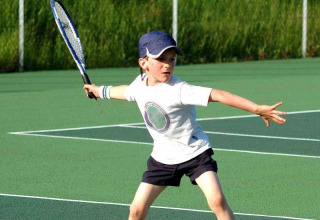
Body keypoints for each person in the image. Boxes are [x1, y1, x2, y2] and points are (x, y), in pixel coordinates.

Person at [83, 30, 287, 220]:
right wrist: (99, 91)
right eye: (160, 59)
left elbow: (220, 95)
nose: (167, 64)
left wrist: (256, 108)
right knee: (136, 210)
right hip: (162, 158)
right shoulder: (140, 84)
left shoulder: (179, 90)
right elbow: (126, 91)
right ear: (144, 62)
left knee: (217, 200)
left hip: (195, 154)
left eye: (171, 59)